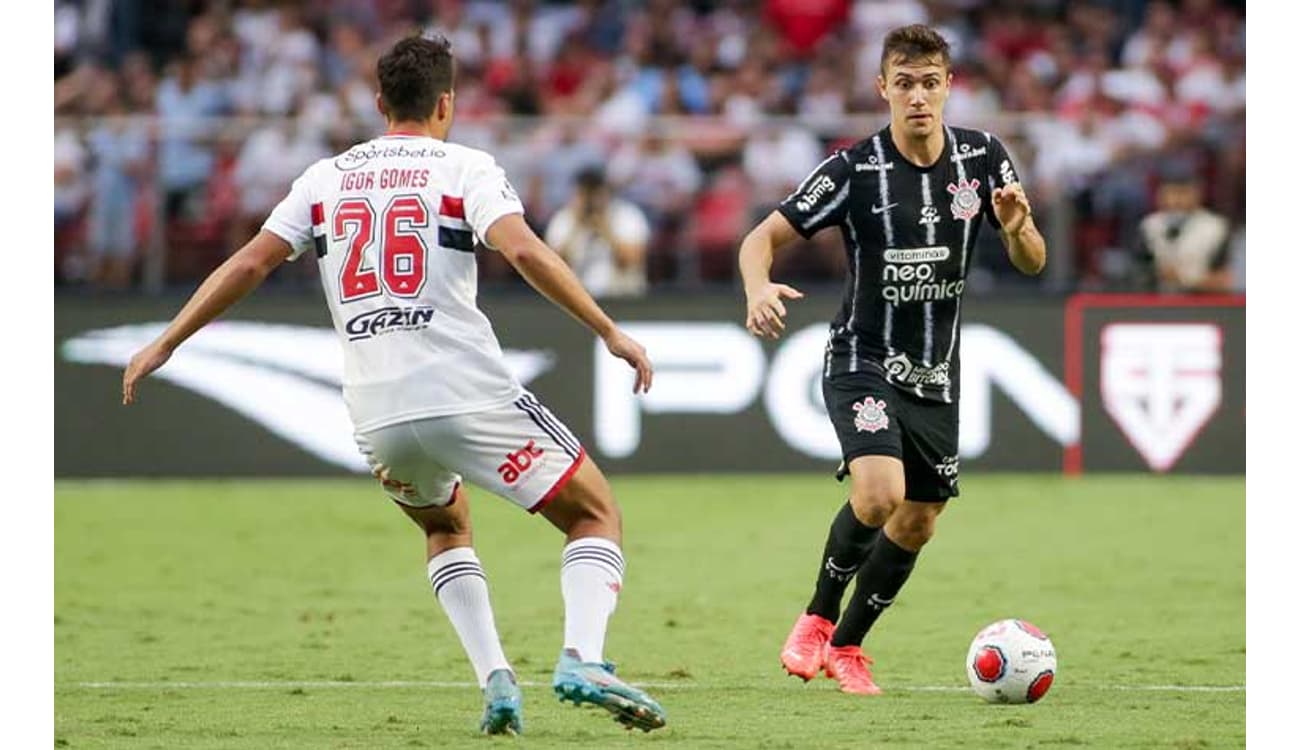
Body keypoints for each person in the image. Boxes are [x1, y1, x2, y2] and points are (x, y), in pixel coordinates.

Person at [121, 34, 667, 736]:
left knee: (444, 523)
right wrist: (609, 329)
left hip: (375, 408)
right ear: (447, 103)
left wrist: (167, 339)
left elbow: (252, 263)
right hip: (465, 389)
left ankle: (496, 682)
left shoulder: (323, 178)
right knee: (594, 513)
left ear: (379, 103)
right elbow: (524, 248)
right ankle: (582, 658)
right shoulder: (465, 167)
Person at [736, 24, 1046, 695]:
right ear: (882, 89)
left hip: (936, 372)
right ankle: (817, 618)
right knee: (880, 494)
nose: (918, 96)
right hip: (862, 356)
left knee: (919, 520)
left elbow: (1032, 260)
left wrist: (1018, 226)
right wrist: (758, 285)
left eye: (930, 82)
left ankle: (847, 648)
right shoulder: (854, 170)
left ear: (948, 87)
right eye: (904, 83)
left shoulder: (987, 158)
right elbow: (761, 237)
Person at [544, 166, 651, 298]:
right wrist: (576, 225)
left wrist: (604, 227)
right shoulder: (564, 219)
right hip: (578, 301)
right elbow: (552, 269)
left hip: (622, 297)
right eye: (585, 193)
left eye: (596, 193)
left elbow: (630, 261)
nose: (591, 200)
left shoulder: (627, 215)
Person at [1135, 162, 1233, 293]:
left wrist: (1183, 279)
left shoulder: (1216, 227)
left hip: (1202, 304)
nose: (1176, 199)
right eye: (1170, 193)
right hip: (1157, 304)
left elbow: (1224, 281)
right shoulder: (1149, 225)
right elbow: (1139, 272)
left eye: (1183, 192)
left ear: (1198, 193)